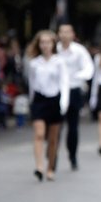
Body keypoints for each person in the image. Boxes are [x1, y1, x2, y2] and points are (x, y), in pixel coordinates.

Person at [26, 30, 69, 181]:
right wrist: (31, 101)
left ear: (53, 44)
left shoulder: (59, 62)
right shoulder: (34, 63)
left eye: (48, 42)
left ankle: (51, 167)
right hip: (39, 100)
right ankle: (39, 166)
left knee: (52, 139)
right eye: (42, 42)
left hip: (54, 99)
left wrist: (63, 103)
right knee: (39, 134)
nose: (45, 45)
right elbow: (32, 84)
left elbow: (64, 83)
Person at [56, 24, 94, 169]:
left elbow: (88, 69)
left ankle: (72, 156)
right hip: (57, 91)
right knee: (56, 125)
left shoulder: (79, 51)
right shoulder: (55, 50)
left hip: (73, 90)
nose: (64, 35)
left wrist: (76, 76)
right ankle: (52, 155)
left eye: (67, 32)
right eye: (62, 32)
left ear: (72, 34)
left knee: (73, 126)